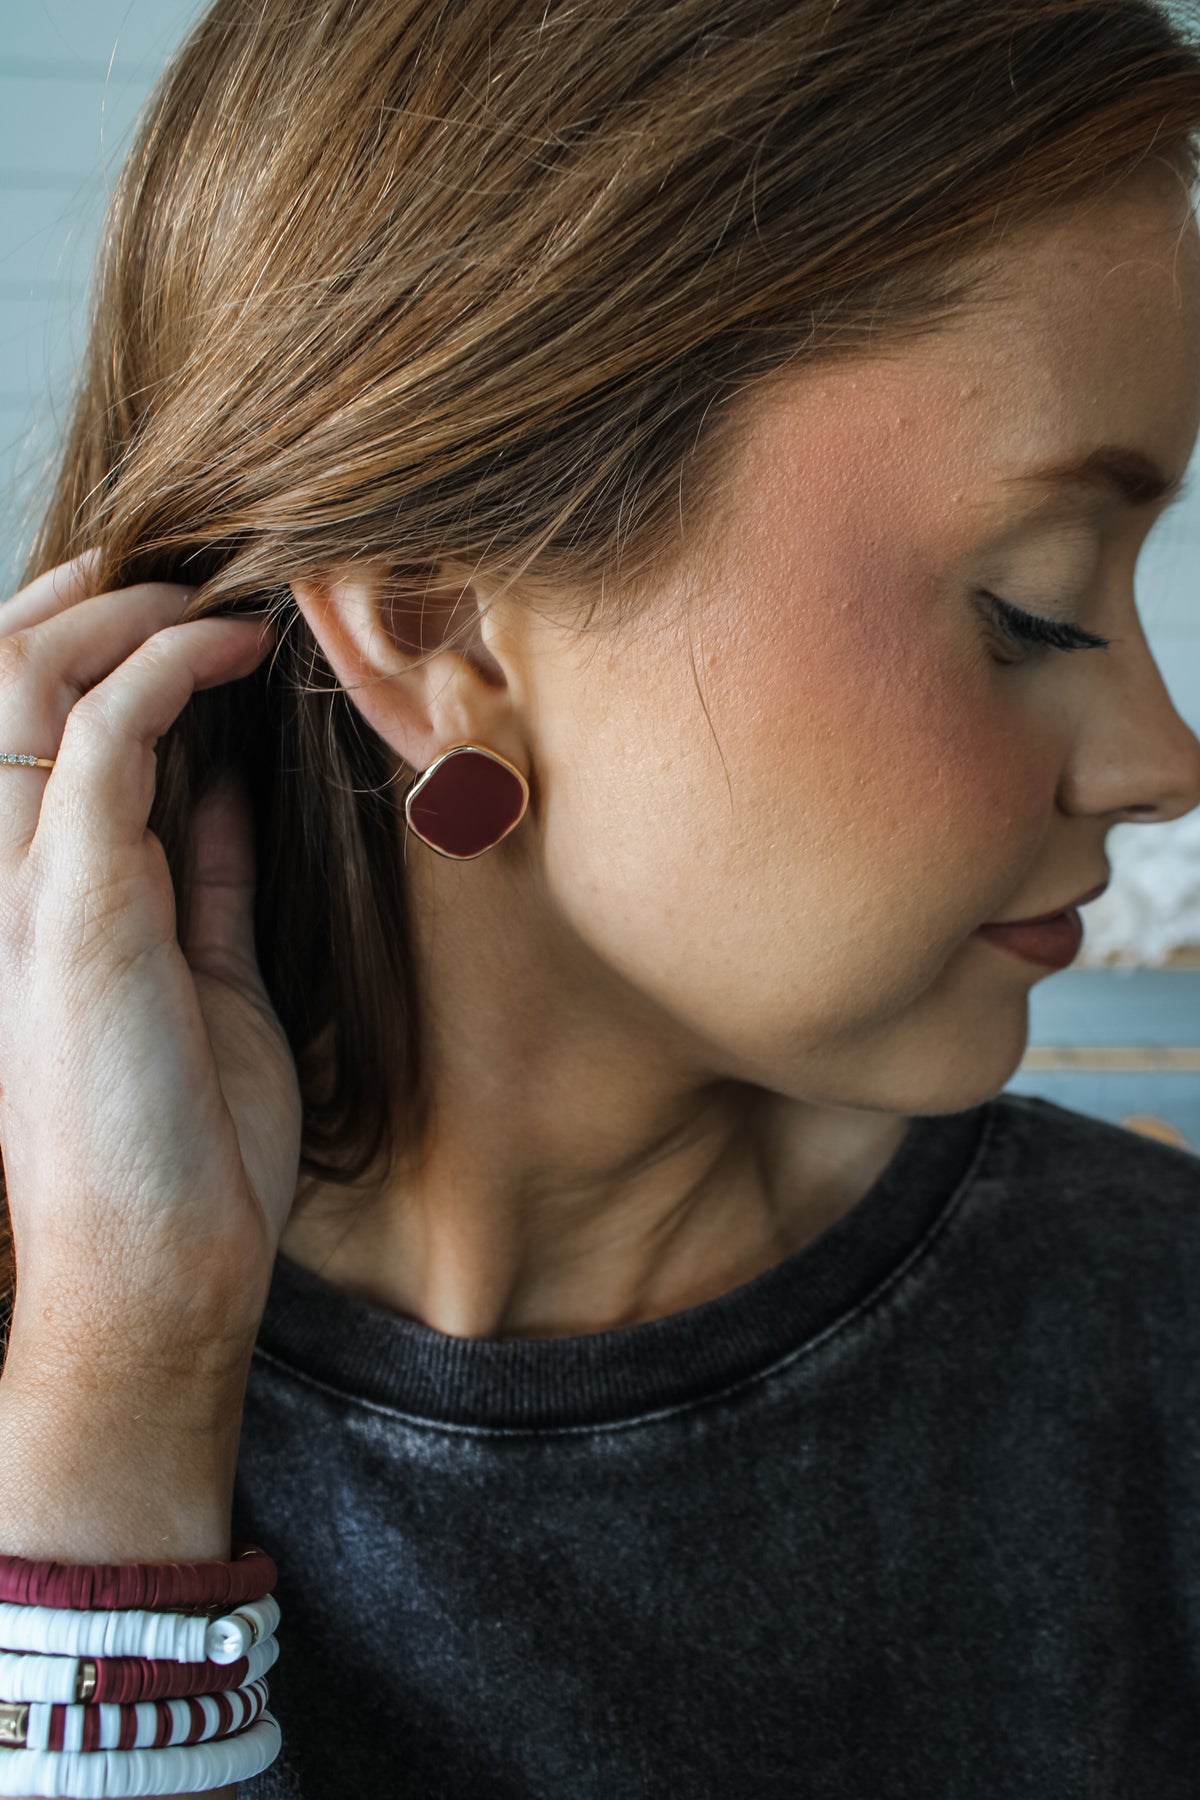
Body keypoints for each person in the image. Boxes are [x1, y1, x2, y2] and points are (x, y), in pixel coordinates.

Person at [1, 0, 1200, 1792]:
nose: (1163, 754)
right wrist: (121, 1407)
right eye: (1032, 603)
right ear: (440, 627)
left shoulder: (1154, 1354)